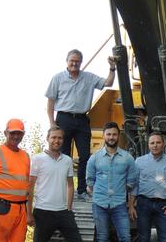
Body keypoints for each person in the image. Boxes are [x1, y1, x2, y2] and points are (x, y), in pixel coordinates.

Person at [45, 49, 116, 201]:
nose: (74, 63)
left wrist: (112, 68)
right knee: (62, 156)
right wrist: (52, 124)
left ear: (81, 62)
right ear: (67, 61)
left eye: (77, 61)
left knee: (85, 156)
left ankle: (82, 190)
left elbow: (108, 82)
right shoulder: (57, 78)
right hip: (63, 119)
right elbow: (50, 104)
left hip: (82, 119)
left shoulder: (89, 77)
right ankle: (63, 189)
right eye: (72, 60)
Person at [28, 126, 91, 242]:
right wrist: (29, 213)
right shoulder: (37, 159)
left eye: (60, 138)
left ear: (63, 140)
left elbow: (70, 184)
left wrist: (69, 208)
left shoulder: (67, 160)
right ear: (47, 138)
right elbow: (30, 187)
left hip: (63, 212)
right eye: (53, 137)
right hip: (42, 211)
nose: (57, 141)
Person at [86, 121, 137, 242]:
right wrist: (98, 196)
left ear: (118, 136)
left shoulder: (128, 158)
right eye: (108, 134)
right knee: (101, 240)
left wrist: (130, 205)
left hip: (119, 205)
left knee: (126, 239)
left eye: (114, 134)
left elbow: (132, 184)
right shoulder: (94, 158)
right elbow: (90, 182)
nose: (111, 137)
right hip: (99, 205)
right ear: (104, 136)